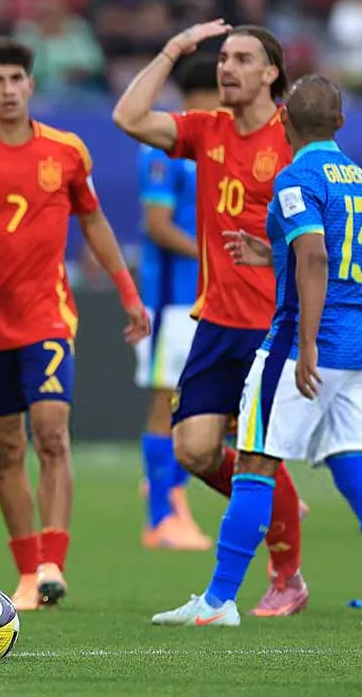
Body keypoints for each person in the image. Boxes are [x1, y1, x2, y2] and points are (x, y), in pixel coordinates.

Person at [151, 74, 362, 627]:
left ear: (283, 121)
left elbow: (314, 257)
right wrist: (270, 254)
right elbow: (322, 252)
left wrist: (303, 345)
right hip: (358, 343)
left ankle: (217, 602)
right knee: (355, 470)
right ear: (340, 123)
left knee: (254, 464)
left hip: (301, 345)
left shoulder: (293, 176)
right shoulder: (359, 178)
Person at [0, 36, 150, 612]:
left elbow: (96, 225)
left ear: (31, 84)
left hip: (47, 317)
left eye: (15, 80)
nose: (7, 90)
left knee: (51, 433)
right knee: (6, 450)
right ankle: (27, 573)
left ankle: (53, 563)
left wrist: (129, 294)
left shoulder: (67, 151)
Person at [112, 21, 309, 617]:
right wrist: (172, 49)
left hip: (275, 326)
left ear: (271, 74)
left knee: (255, 456)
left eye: (243, 59)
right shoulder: (206, 131)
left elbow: (326, 236)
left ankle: (281, 579)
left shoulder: (295, 139)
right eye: (223, 58)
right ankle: (275, 505)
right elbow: (128, 116)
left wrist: (274, 254)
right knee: (195, 451)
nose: (227, 68)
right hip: (217, 323)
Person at [135, 54, 221, 552]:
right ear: (202, 95)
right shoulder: (164, 146)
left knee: (202, 408)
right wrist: (216, 254)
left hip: (207, 299)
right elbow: (157, 226)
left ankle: (174, 504)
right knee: (165, 405)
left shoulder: (209, 142)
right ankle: (160, 515)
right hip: (172, 299)